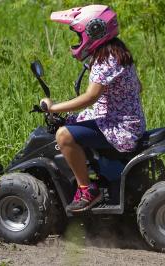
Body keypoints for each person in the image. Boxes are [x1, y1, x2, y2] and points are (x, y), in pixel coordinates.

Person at [40, 5, 146, 212]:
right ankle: (97, 172)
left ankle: (87, 190)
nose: (78, 41)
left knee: (63, 135)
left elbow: (90, 97)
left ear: (94, 31)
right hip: (125, 121)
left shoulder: (106, 60)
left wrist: (54, 108)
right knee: (73, 121)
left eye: (79, 35)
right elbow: (138, 86)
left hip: (120, 128)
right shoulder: (118, 52)